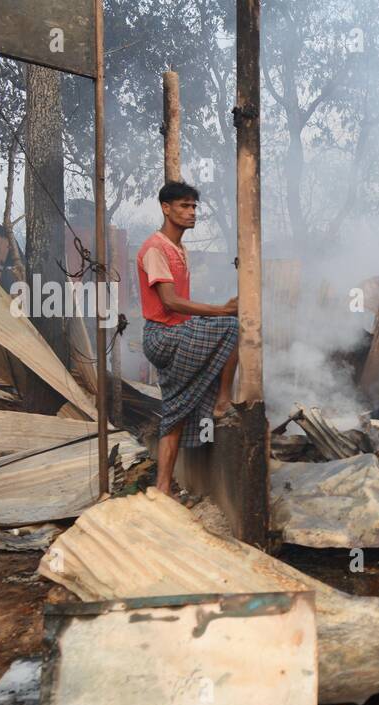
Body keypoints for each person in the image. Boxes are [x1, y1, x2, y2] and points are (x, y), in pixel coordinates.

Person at [136, 181, 239, 497]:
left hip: (177, 332)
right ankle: (224, 400)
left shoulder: (181, 249)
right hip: (162, 336)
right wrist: (220, 310)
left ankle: (164, 486)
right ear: (166, 208)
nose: (191, 212)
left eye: (194, 206)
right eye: (184, 205)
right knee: (233, 327)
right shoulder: (156, 249)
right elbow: (170, 302)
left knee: (178, 406)